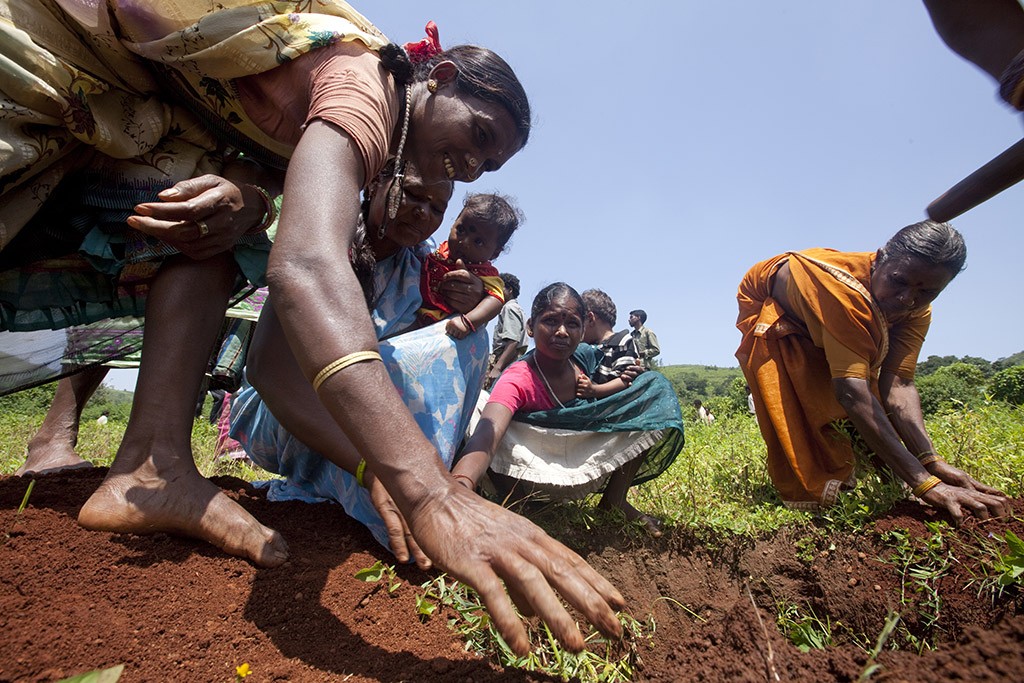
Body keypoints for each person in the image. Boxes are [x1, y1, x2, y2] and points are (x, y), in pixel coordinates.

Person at [0, 4, 622, 654]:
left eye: (485, 167)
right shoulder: (367, 84)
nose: (467, 167)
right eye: (478, 135)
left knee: (216, 230)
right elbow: (303, 267)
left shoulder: (394, 217)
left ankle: (151, 466)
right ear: (436, 77)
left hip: (138, 112)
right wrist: (429, 491)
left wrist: (247, 198)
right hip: (59, 50)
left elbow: (257, 170)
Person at [735, 220, 1011, 524]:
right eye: (898, 281)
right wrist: (926, 483)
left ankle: (896, 475)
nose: (907, 298)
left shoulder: (917, 309)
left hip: (834, 316)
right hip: (783, 320)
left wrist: (931, 461)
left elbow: (900, 383)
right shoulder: (843, 294)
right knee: (814, 402)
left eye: (928, 291)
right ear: (879, 259)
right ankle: (827, 489)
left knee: (868, 395)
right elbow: (851, 392)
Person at [455, 283, 684, 537]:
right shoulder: (518, 378)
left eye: (572, 324)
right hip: (529, 468)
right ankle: (520, 502)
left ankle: (614, 500)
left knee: (654, 387)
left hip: (580, 459)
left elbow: (615, 377)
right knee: (477, 408)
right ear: (530, 327)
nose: (562, 332)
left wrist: (627, 377)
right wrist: (460, 485)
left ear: (584, 328)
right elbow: (488, 433)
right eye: (551, 321)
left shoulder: (584, 357)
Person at [417, 193, 521, 338]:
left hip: (441, 328)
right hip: (414, 312)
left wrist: (467, 322)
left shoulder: (484, 273)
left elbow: (496, 300)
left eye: (478, 242)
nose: (464, 242)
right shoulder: (440, 250)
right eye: (460, 230)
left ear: (495, 253)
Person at [581, 289, 643, 387]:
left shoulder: (622, 342)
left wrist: (594, 390)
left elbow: (624, 380)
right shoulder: (585, 348)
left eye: (578, 322)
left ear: (590, 318)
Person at [485, 272, 528, 389]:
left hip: (507, 361)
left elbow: (513, 340)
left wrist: (497, 368)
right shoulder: (516, 308)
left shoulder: (509, 308)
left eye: (500, 288)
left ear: (509, 290)